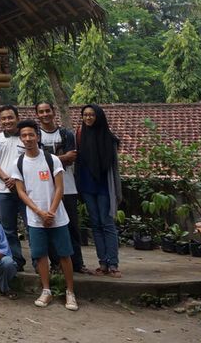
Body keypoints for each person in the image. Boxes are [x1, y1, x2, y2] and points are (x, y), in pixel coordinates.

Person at [12, 120, 78, 311]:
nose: (27, 138)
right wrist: (39, 212)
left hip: (57, 216)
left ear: (37, 136)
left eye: (31, 134)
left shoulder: (52, 159)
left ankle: (70, 292)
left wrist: (51, 211)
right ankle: (46, 290)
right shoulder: (19, 163)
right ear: (21, 139)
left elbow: (59, 187)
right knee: (40, 255)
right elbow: (21, 192)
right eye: (24, 135)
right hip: (35, 218)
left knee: (64, 254)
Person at [36, 100, 88, 274]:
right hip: (45, 188)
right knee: (49, 226)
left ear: (53, 111)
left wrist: (51, 158)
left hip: (68, 187)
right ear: (37, 115)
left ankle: (77, 263)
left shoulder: (66, 134)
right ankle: (56, 264)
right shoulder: (36, 135)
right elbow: (39, 160)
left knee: (72, 226)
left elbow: (72, 156)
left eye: (47, 111)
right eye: (41, 112)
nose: (45, 114)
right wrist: (61, 157)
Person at [76, 103, 123, 277]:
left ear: (99, 117)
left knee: (107, 223)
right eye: (85, 115)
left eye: (91, 115)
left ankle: (113, 263)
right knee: (95, 224)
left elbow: (114, 169)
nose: (88, 118)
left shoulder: (108, 139)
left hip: (104, 187)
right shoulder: (80, 136)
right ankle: (102, 263)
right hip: (88, 186)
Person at [0, 105, 27, 269]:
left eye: (10, 117)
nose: (7, 121)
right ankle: (17, 260)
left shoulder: (25, 136)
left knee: (32, 226)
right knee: (8, 229)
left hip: (25, 190)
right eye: (4, 118)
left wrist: (16, 180)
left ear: (17, 117)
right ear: (0, 120)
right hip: (4, 190)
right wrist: (5, 178)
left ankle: (40, 262)